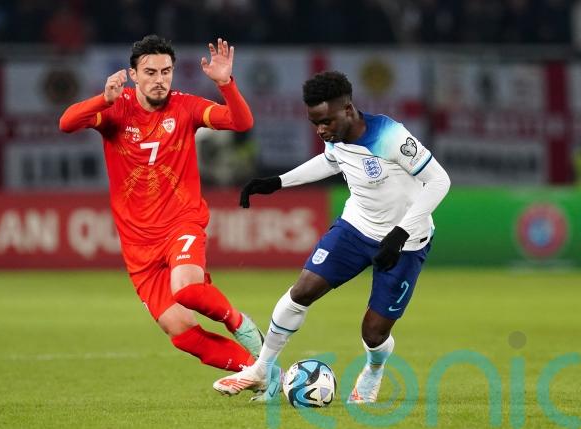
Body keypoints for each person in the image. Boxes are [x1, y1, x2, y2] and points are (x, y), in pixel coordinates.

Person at [213, 71, 450, 402]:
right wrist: (278, 182)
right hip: (355, 228)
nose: (321, 130)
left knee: (374, 333)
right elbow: (330, 161)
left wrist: (400, 233)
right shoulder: (336, 136)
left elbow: (439, 181)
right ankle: (261, 368)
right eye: (315, 123)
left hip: (405, 243)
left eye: (326, 121)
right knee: (302, 291)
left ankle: (374, 370)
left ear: (348, 109)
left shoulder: (390, 136)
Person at [59, 35, 264, 374]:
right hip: (138, 244)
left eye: (166, 72)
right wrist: (102, 99)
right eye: (150, 72)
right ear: (133, 74)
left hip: (181, 222)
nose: (159, 80)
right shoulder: (115, 108)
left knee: (187, 289)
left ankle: (240, 324)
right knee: (180, 332)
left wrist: (225, 84)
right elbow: (66, 123)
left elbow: (241, 122)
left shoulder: (186, 106)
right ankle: (261, 373)